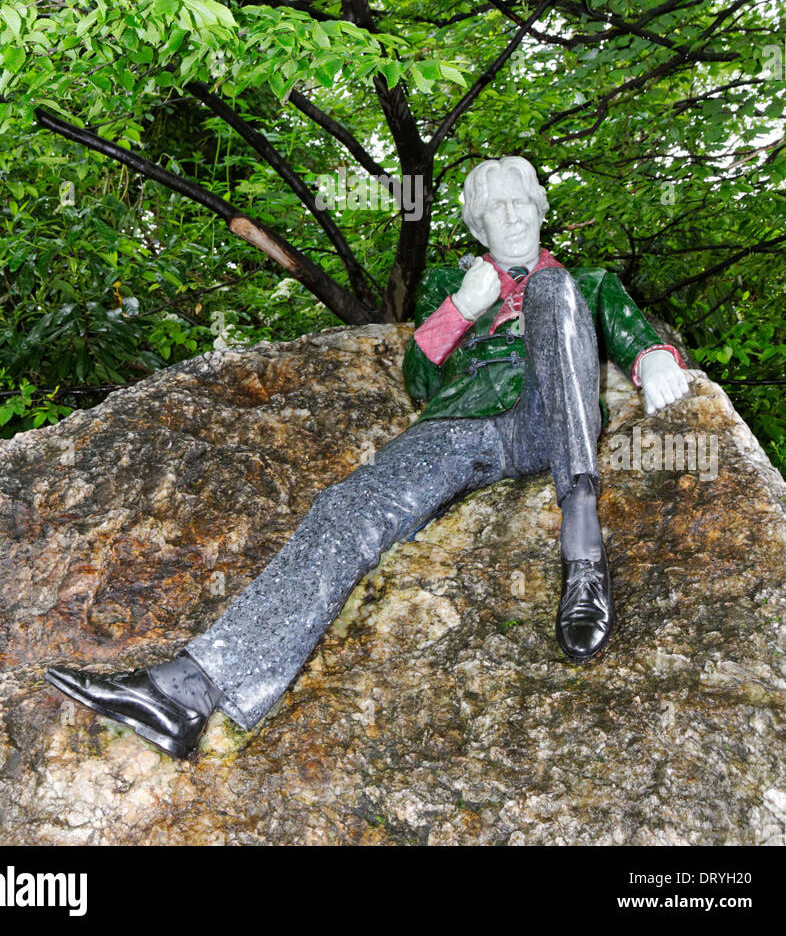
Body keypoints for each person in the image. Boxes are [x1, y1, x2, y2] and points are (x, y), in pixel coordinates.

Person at [45, 156, 689, 759]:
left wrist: (652, 356)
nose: (513, 216)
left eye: (522, 202)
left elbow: (625, 328)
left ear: (541, 207)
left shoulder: (590, 284)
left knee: (552, 293)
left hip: (551, 419)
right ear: (477, 225)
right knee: (349, 503)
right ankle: (186, 692)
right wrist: (465, 305)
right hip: (463, 427)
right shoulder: (448, 285)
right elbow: (420, 381)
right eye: (497, 210)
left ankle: (583, 553)